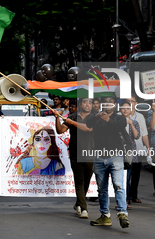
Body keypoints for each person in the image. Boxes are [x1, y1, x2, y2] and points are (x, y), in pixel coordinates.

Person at [86, 97, 129, 228]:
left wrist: (107, 119)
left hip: (115, 156)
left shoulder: (119, 118)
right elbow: (88, 124)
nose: (108, 105)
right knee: (102, 189)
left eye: (110, 102)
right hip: (99, 158)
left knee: (118, 185)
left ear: (115, 105)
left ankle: (122, 213)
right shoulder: (97, 117)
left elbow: (119, 127)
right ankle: (105, 216)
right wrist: (97, 117)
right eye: (105, 103)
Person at [53, 97, 95, 219]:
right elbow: (60, 130)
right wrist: (57, 118)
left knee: (87, 181)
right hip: (75, 153)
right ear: (80, 104)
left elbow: (89, 128)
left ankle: (79, 203)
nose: (87, 105)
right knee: (79, 181)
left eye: (90, 103)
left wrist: (72, 123)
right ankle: (84, 209)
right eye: (85, 102)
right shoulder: (72, 116)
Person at [124, 95, 155, 204]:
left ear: (136, 103)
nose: (130, 103)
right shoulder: (120, 116)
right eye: (128, 101)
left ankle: (134, 195)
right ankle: (126, 197)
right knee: (126, 174)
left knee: (136, 175)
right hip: (125, 151)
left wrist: (148, 148)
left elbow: (144, 134)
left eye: (132, 101)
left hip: (138, 149)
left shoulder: (140, 116)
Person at [119, 101, 140, 208]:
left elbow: (136, 136)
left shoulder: (135, 122)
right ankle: (121, 200)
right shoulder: (116, 122)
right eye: (123, 108)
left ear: (131, 110)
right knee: (120, 178)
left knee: (127, 178)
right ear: (120, 110)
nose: (125, 110)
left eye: (128, 108)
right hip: (117, 152)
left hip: (130, 154)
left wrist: (131, 124)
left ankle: (126, 200)